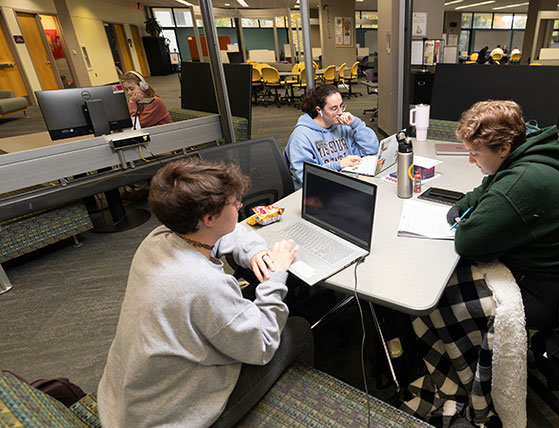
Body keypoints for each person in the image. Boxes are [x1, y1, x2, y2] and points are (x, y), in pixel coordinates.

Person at [402, 100, 559, 426]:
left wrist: (468, 222)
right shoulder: (531, 147)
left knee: (442, 296)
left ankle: (470, 382)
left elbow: (468, 241)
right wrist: (464, 205)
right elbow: (487, 186)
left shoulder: (523, 182)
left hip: (548, 284)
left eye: (476, 153)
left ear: (504, 147)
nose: (471, 159)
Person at [98, 158, 313, 428]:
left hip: (127, 406)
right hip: (172, 419)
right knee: (298, 329)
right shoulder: (202, 283)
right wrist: (278, 273)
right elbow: (262, 343)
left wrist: (254, 251)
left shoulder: (159, 238)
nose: (239, 206)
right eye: (235, 203)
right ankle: (300, 412)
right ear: (209, 217)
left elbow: (219, 236)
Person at [285, 84, 379, 188]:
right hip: (318, 191)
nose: (340, 112)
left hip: (345, 182)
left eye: (341, 106)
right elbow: (307, 177)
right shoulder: (301, 136)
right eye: (334, 109)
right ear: (319, 110)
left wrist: (355, 124)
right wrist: (339, 165)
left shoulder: (343, 126)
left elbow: (370, 149)